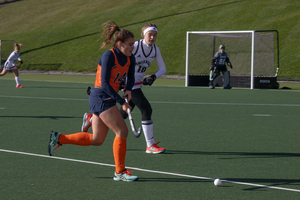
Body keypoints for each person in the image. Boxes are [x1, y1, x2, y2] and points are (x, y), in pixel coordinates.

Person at [48, 21, 139, 182]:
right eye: (130, 44)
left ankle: (59, 138)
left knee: (97, 140)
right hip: (101, 97)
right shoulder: (109, 56)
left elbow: (131, 77)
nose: (133, 47)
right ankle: (120, 172)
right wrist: (121, 101)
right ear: (120, 44)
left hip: (109, 97)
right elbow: (104, 84)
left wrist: (128, 90)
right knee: (122, 131)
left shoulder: (130, 58)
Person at [81, 23, 167, 154]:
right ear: (144, 35)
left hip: (135, 84)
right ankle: (150, 145)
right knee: (146, 108)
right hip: (127, 84)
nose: (152, 38)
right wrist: (123, 84)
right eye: (150, 35)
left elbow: (163, 69)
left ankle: (92, 119)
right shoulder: (134, 46)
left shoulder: (155, 49)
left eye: (155, 35)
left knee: (122, 114)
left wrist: (153, 77)